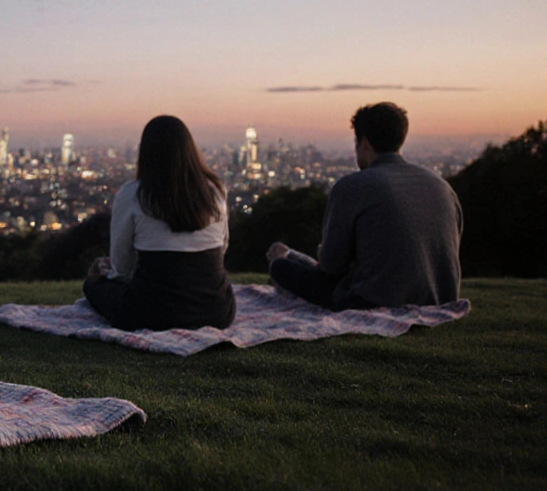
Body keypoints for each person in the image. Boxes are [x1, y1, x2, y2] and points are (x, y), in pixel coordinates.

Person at [267, 102, 462, 310]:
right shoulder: (442, 186)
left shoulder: (351, 186)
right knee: (301, 265)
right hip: (439, 298)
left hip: (370, 300)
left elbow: (331, 267)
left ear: (365, 143)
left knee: (279, 267)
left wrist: (284, 262)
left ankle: (281, 258)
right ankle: (290, 254)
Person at [84, 115, 235, 331]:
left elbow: (122, 268)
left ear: (146, 152)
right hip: (217, 312)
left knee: (92, 285)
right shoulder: (214, 191)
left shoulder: (132, 194)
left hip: (150, 314)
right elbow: (222, 248)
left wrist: (105, 273)